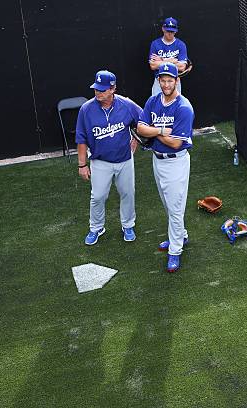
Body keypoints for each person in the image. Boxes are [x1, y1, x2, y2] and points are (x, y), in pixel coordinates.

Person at [137, 62, 194, 272]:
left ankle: (175, 251)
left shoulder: (184, 108)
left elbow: (176, 142)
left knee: (175, 208)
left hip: (176, 161)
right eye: (163, 80)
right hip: (157, 160)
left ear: (177, 81)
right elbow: (141, 128)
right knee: (168, 204)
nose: (167, 83)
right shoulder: (153, 101)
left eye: (170, 80)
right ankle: (181, 235)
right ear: (159, 81)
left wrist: (154, 131)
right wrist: (162, 130)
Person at [76, 70, 142, 245]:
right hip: (99, 161)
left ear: (113, 89)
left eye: (102, 89)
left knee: (128, 193)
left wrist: (135, 138)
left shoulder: (126, 105)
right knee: (97, 196)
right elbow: (81, 138)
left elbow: (142, 122)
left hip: (125, 160)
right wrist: (82, 165)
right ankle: (96, 227)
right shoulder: (86, 109)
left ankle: (128, 225)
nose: (98, 92)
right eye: (96, 89)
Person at [148, 17, 189, 96]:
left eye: (172, 31)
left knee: (175, 107)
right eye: (168, 31)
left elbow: (182, 67)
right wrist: (172, 60)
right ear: (163, 29)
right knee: (157, 106)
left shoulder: (180, 44)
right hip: (159, 80)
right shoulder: (155, 44)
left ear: (175, 31)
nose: (170, 33)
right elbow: (153, 66)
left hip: (174, 81)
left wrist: (161, 60)